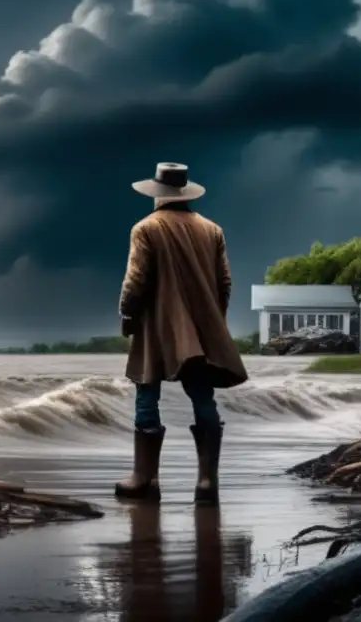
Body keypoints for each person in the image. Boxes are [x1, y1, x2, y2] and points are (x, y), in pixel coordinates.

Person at [115, 162, 248, 505]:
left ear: (157, 194)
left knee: (147, 392)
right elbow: (225, 284)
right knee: (203, 396)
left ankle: (145, 479)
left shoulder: (145, 228)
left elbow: (135, 283)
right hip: (202, 330)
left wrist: (127, 314)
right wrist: (212, 321)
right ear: (185, 192)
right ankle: (207, 482)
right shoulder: (212, 230)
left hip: (156, 327)